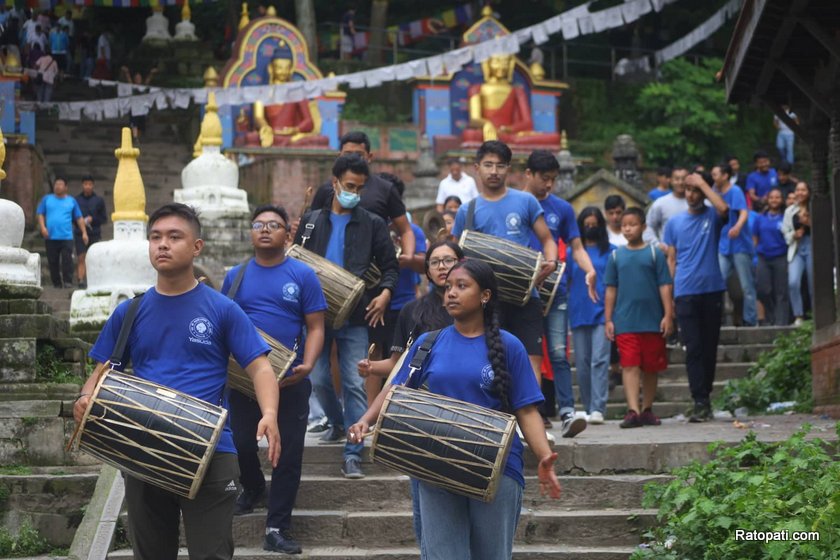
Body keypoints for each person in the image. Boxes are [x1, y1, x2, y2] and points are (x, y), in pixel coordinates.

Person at [73, 203, 281, 560]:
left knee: (212, 554)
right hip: (143, 446)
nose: (162, 245)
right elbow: (105, 368)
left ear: (196, 247)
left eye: (174, 236)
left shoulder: (221, 309)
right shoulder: (130, 311)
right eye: (155, 237)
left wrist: (270, 413)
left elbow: (260, 367)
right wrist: (86, 397)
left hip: (213, 450)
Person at [348, 259, 561, 560]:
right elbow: (395, 389)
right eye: (448, 287)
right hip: (435, 463)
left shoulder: (509, 346)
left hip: (497, 468)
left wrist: (542, 457)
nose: (451, 293)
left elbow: (526, 410)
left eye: (462, 286)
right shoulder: (427, 343)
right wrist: (365, 421)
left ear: (485, 295)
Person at [222, 205, 326, 555]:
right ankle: (252, 487)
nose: (265, 230)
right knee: (241, 443)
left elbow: (315, 326)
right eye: (258, 224)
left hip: (290, 380)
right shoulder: (234, 276)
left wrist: (309, 364)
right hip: (242, 380)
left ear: (287, 234)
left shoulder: (303, 275)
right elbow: (223, 326)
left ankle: (277, 525)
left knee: (289, 454)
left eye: (274, 225)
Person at [293, 153, 398, 479]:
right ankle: (337, 422)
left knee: (354, 383)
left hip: (355, 315)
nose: (354, 192)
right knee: (319, 379)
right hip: (315, 316)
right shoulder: (311, 221)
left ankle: (353, 451)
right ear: (335, 183)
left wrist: (384, 293)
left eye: (360, 188)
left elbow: (390, 267)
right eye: (349, 186)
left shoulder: (373, 224)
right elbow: (296, 262)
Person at [357, 239, 463, 545]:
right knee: (424, 507)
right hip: (421, 417)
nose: (443, 267)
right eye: (436, 262)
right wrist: (372, 369)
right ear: (426, 271)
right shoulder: (411, 311)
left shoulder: (479, 309)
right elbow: (398, 365)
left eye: (449, 260)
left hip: (466, 412)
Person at [518, 149, 595, 437]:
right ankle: (532, 415)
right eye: (544, 178)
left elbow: (576, 248)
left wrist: (589, 270)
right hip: (521, 293)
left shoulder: (562, 208)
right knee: (528, 355)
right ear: (528, 174)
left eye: (553, 179)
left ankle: (567, 412)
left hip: (555, 291)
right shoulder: (513, 204)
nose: (548, 185)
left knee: (559, 353)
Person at [664, 173, 729, 423]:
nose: (691, 195)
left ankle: (706, 396)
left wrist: (703, 183)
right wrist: (669, 297)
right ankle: (699, 400)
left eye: (696, 190)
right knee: (693, 348)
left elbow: (724, 208)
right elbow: (671, 259)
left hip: (712, 288)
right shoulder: (675, 223)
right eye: (688, 190)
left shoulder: (712, 216)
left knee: (710, 347)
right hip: (685, 291)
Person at [605, 207, 673, 428]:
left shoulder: (654, 254)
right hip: (625, 321)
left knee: (651, 367)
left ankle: (647, 409)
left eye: (632, 224)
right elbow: (611, 290)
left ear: (643, 227)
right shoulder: (616, 256)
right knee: (630, 366)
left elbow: (665, 286)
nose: (627, 228)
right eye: (624, 225)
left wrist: (668, 315)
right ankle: (632, 410)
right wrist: (608, 319)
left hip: (652, 320)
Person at [309, 131, 415, 260]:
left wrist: (408, 256)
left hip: (372, 267)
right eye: (347, 154)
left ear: (369, 157)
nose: (352, 158)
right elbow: (312, 225)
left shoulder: (386, 189)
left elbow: (405, 230)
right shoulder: (326, 189)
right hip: (330, 267)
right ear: (339, 156)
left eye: (359, 155)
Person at [367, 173, 426, 405]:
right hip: (374, 302)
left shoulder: (412, 231)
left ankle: (400, 407)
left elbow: (424, 266)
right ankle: (370, 412)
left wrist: (406, 258)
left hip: (404, 303)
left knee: (404, 358)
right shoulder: (368, 227)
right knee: (373, 354)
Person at [567, 207, 613, 424]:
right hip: (578, 312)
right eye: (587, 225)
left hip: (604, 312)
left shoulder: (611, 251)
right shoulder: (571, 253)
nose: (591, 229)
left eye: (595, 225)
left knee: (600, 360)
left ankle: (598, 408)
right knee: (583, 363)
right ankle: (587, 407)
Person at [713, 163, 757, 327]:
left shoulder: (735, 191)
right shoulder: (714, 192)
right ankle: (720, 317)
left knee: (746, 285)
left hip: (740, 245)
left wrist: (737, 227)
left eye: (716, 174)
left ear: (725, 175)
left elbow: (744, 212)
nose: (713, 177)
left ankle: (750, 320)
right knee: (718, 281)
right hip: (723, 244)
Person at [37, 178, 87, 288]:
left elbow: (79, 217)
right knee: (52, 261)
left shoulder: (71, 201)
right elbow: (40, 213)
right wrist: (43, 227)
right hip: (50, 236)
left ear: (66, 187)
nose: (57, 186)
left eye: (60, 184)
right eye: (56, 184)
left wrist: (84, 232)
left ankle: (68, 281)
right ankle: (57, 283)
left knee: (67, 260)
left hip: (66, 237)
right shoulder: (47, 199)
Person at [752, 188, 789, 326]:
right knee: (763, 290)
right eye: (771, 197)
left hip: (781, 256)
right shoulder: (760, 218)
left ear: (781, 200)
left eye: (777, 197)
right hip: (763, 257)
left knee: (781, 291)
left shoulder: (785, 217)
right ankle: (771, 314)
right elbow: (755, 237)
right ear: (767, 199)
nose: (774, 200)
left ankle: (781, 322)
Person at [782, 181, 813, 326]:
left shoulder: (815, 207)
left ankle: (816, 313)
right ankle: (798, 315)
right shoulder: (790, 211)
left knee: (814, 283)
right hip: (797, 248)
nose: (800, 193)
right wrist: (794, 235)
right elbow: (785, 232)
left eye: (803, 190)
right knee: (793, 282)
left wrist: (808, 223)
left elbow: (828, 229)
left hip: (813, 247)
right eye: (798, 190)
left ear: (809, 192)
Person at [74, 175, 107, 288]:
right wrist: (80, 221)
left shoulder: (99, 200)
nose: (87, 186)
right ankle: (81, 280)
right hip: (79, 233)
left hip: (94, 233)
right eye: (85, 184)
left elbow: (104, 219)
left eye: (89, 184)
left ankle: (94, 280)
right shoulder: (76, 200)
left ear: (93, 186)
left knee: (93, 257)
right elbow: (72, 217)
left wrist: (93, 219)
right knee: (81, 257)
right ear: (82, 185)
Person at [643, 166, 688, 249]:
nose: (680, 182)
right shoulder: (660, 203)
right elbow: (647, 226)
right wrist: (658, 245)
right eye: (677, 179)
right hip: (667, 254)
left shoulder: (697, 203)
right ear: (671, 180)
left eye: (683, 179)